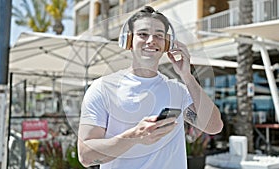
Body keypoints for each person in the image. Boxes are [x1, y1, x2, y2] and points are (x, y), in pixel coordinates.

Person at [78, 6, 223, 169]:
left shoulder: (178, 90)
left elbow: (213, 126)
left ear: (167, 43)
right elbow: (86, 156)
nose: (151, 40)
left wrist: (187, 76)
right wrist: (134, 136)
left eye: (159, 35)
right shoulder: (103, 88)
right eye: (143, 34)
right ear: (128, 40)